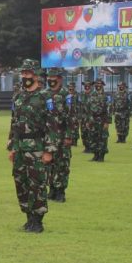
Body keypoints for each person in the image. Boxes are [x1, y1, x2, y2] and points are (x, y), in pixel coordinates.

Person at [7, 59, 59, 233]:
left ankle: (38, 220)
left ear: (35, 74)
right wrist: (13, 147)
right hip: (20, 146)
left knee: (37, 183)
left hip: (37, 146)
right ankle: (28, 216)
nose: (25, 76)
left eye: (28, 73)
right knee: (21, 182)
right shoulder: (18, 96)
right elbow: (14, 123)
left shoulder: (45, 96)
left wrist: (49, 150)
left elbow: (53, 124)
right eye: (23, 73)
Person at [44, 68, 77, 202]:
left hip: (62, 135)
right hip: (48, 136)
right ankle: (51, 189)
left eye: (54, 77)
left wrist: (69, 136)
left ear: (60, 78)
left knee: (62, 164)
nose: (51, 80)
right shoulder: (44, 94)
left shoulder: (66, 95)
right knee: (49, 164)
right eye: (49, 77)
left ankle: (60, 191)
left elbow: (72, 116)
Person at [87, 78, 111, 161]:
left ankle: (101, 156)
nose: (98, 85)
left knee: (102, 138)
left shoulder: (106, 95)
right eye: (96, 84)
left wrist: (107, 122)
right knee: (93, 137)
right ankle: (95, 155)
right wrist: (88, 120)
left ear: (102, 85)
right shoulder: (91, 94)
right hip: (93, 119)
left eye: (100, 84)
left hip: (102, 119)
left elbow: (109, 109)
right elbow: (88, 108)